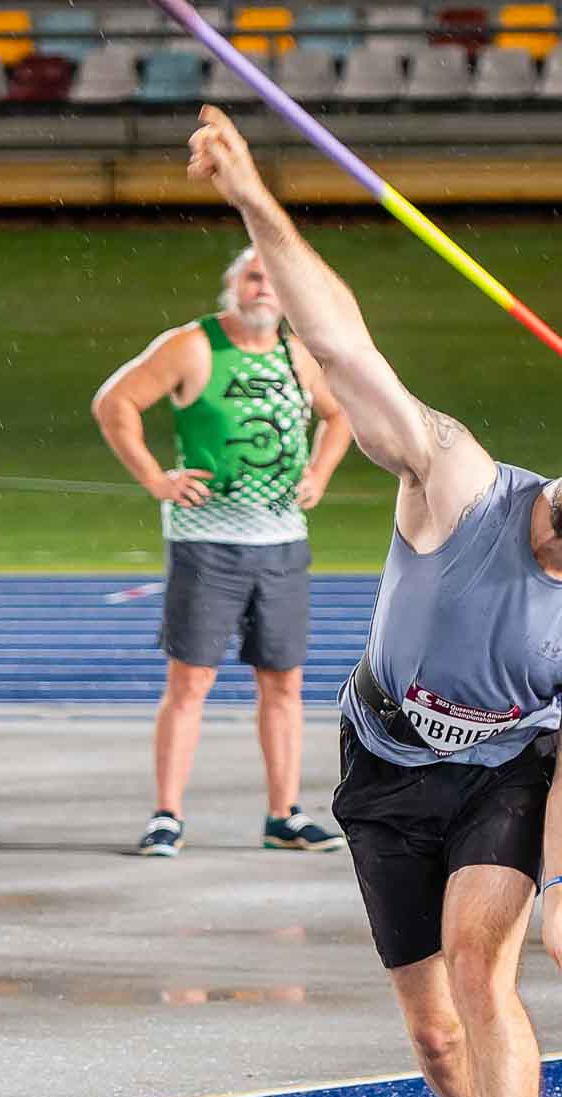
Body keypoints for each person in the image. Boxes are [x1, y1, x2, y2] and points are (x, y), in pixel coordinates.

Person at [187, 107, 562, 1097]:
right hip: (381, 767)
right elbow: (344, 346)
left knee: (485, 972)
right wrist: (257, 198)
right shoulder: (455, 476)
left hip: (501, 784)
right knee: (437, 1047)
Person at [93, 246, 352, 857]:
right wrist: (157, 478)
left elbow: (339, 414)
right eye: (252, 277)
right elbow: (114, 403)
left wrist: (320, 471)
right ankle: (167, 815)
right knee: (191, 682)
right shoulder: (193, 345)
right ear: (232, 287)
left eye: (273, 279)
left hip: (282, 544)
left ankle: (284, 815)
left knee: (284, 682)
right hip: (206, 544)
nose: (264, 288)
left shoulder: (299, 354)